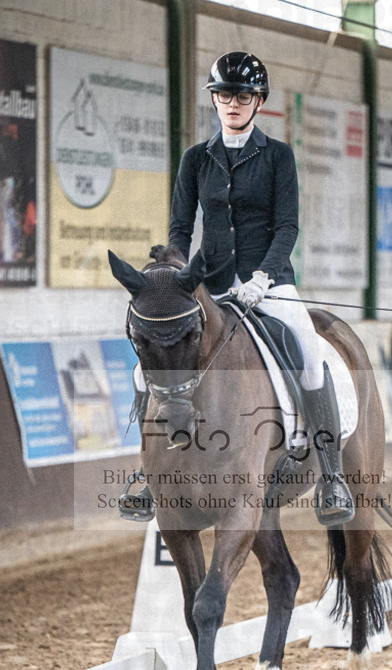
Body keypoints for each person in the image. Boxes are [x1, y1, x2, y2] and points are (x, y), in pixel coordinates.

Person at [123, 50, 355, 527]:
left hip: (268, 283)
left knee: (308, 353)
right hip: (209, 285)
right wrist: (177, 275)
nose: (232, 103)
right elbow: (180, 229)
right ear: (215, 100)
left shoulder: (278, 157)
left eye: (242, 96)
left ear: (258, 102)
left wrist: (263, 278)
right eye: (224, 95)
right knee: (148, 365)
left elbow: (287, 228)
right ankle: (152, 475)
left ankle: (331, 473)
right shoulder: (195, 160)